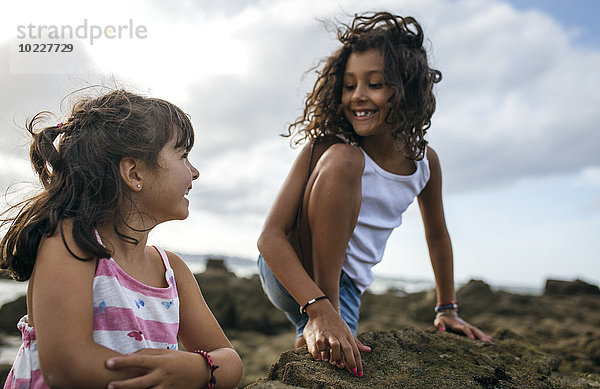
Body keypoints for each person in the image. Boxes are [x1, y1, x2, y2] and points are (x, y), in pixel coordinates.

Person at [257, 11, 491, 377]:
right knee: (347, 160)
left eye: (375, 84)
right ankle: (320, 317)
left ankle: (313, 329)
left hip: (348, 286)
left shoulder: (424, 163)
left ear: (407, 90)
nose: (358, 96)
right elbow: (269, 237)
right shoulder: (330, 148)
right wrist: (320, 308)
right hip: (292, 266)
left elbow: (438, 236)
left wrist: (447, 308)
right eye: (349, 85)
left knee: (333, 363)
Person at [0, 90, 243, 389]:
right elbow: (67, 366)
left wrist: (198, 369)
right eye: (183, 155)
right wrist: (165, 377)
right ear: (133, 172)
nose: (195, 172)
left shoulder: (172, 270)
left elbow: (231, 360)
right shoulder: (71, 244)